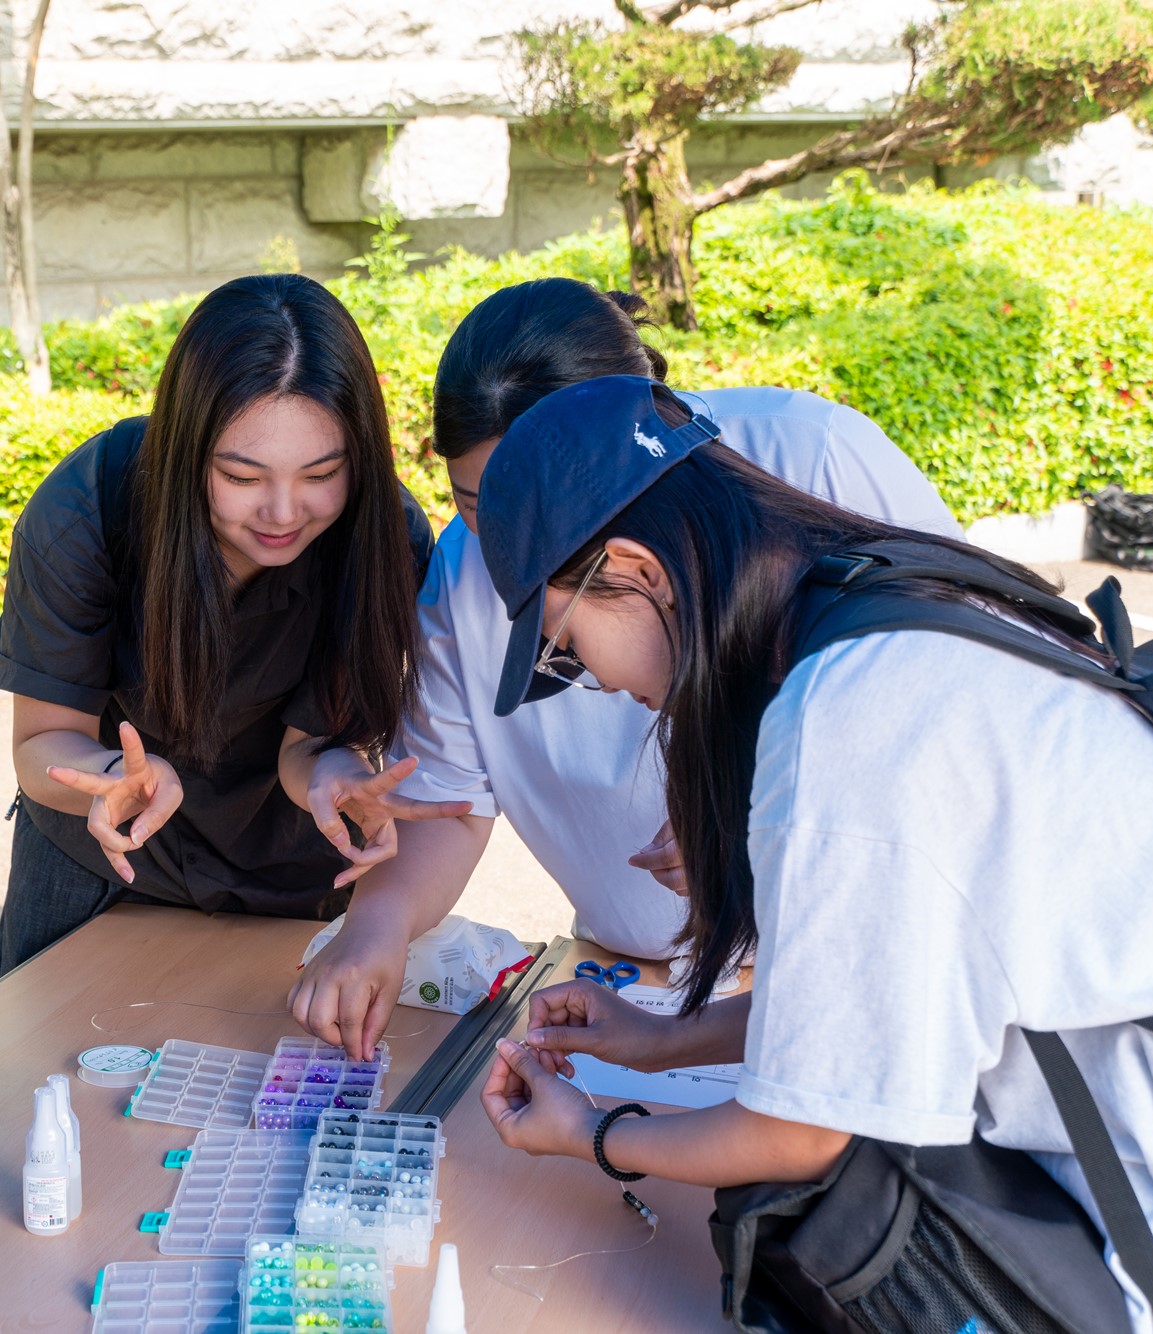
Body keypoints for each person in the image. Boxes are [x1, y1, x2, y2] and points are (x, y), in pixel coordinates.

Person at [473, 376, 1153, 1332]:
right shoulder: (895, 595)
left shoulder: (852, 711)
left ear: (638, 570)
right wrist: (666, 1042)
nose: (600, 685)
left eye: (567, 649)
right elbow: (880, 995)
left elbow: (802, 1127)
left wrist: (597, 1134)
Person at [290, 278, 964, 1058]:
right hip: (631, 981)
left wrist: (761, 796)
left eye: (554, 495)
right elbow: (446, 799)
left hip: (850, 982)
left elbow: (954, 700)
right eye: (481, 503)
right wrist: (376, 927)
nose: (518, 538)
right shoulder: (465, 573)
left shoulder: (811, 458)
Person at [0, 273, 461, 979]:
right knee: (33, 1074)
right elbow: (40, 745)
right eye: (241, 477)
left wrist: (338, 777)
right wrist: (116, 775)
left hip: (292, 861)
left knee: (275, 1084)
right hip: (103, 850)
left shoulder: (383, 532)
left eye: (321, 473)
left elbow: (311, 746)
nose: (282, 511)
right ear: (186, 450)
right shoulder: (88, 509)